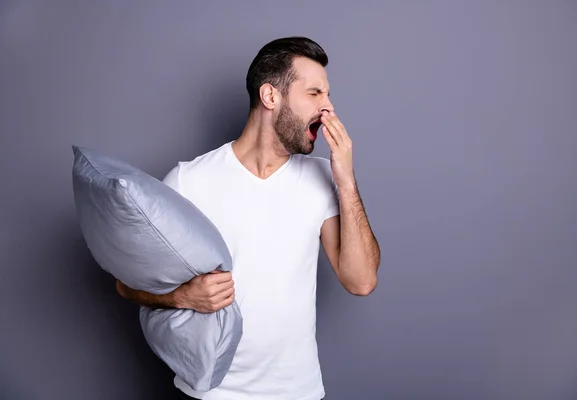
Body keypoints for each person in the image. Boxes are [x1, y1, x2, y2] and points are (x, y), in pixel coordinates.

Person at [115, 36, 381, 400]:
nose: (329, 108)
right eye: (315, 94)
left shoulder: (324, 179)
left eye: (328, 95)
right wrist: (183, 296)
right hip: (209, 394)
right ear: (270, 96)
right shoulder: (188, 181)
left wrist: (346, 180)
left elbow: (361, 281)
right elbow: (125, 284)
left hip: (297, 393)